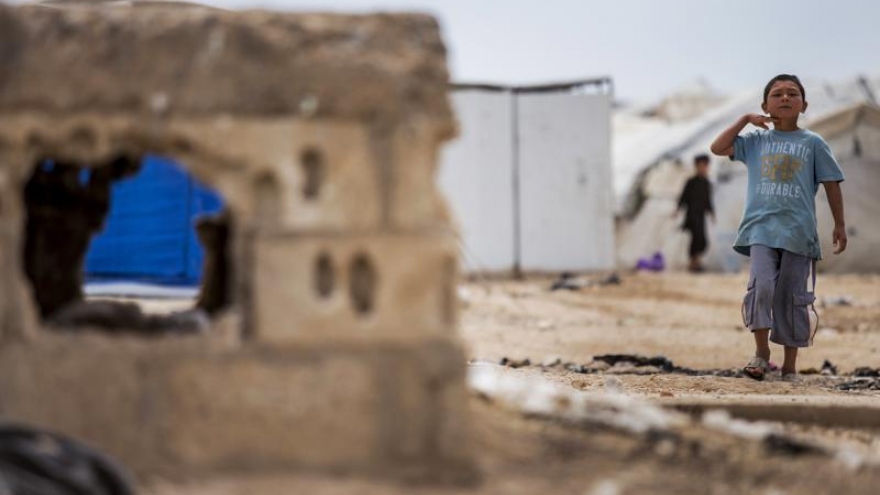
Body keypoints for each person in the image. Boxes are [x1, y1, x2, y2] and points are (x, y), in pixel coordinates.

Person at [709, 74, 847, 382]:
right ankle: (761, 353)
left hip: (799, 233)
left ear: (804, 105)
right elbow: (718, 147)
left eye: (792, 93)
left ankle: (789, 367)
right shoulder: (756, 142)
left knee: (792, 297)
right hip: (761, 230)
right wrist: (745, 120)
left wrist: (839, 224)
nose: (785, 98)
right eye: (777, 94)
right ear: (765, 106)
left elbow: (831, 183)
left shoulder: (814, 143)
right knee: (762, 287)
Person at [673, 154, 715, 272]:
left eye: (704, 166)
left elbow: (708, 200)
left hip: (701, 216)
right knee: (695, 238)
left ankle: (696, 261)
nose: (702, 168)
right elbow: (683, 197)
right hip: (691, 215)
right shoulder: (691, 182)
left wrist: (712, 213)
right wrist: (678, 210)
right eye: (700, 166)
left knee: (702, 240)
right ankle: (693, 263)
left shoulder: (707, 183)